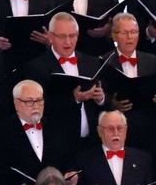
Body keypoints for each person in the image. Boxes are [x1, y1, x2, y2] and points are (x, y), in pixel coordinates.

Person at [20, 12, 106, 144]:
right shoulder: (36, 68)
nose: (68, 42)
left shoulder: (92, 63)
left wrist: (101, 98)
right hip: (58, 143)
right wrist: (74, 99)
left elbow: (105, 102)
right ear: (50, 36)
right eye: (61, 36)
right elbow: (36, 109)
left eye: (72, 36)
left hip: (92, 142)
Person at [100, 13, 156, 153]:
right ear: (114, 36)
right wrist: (112, 104)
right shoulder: (104, 62)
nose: (129, 37)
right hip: (116, 132)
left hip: (148, 131)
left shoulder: (154, 61)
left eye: (133, 32)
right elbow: (99, 98)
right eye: (124, 33)